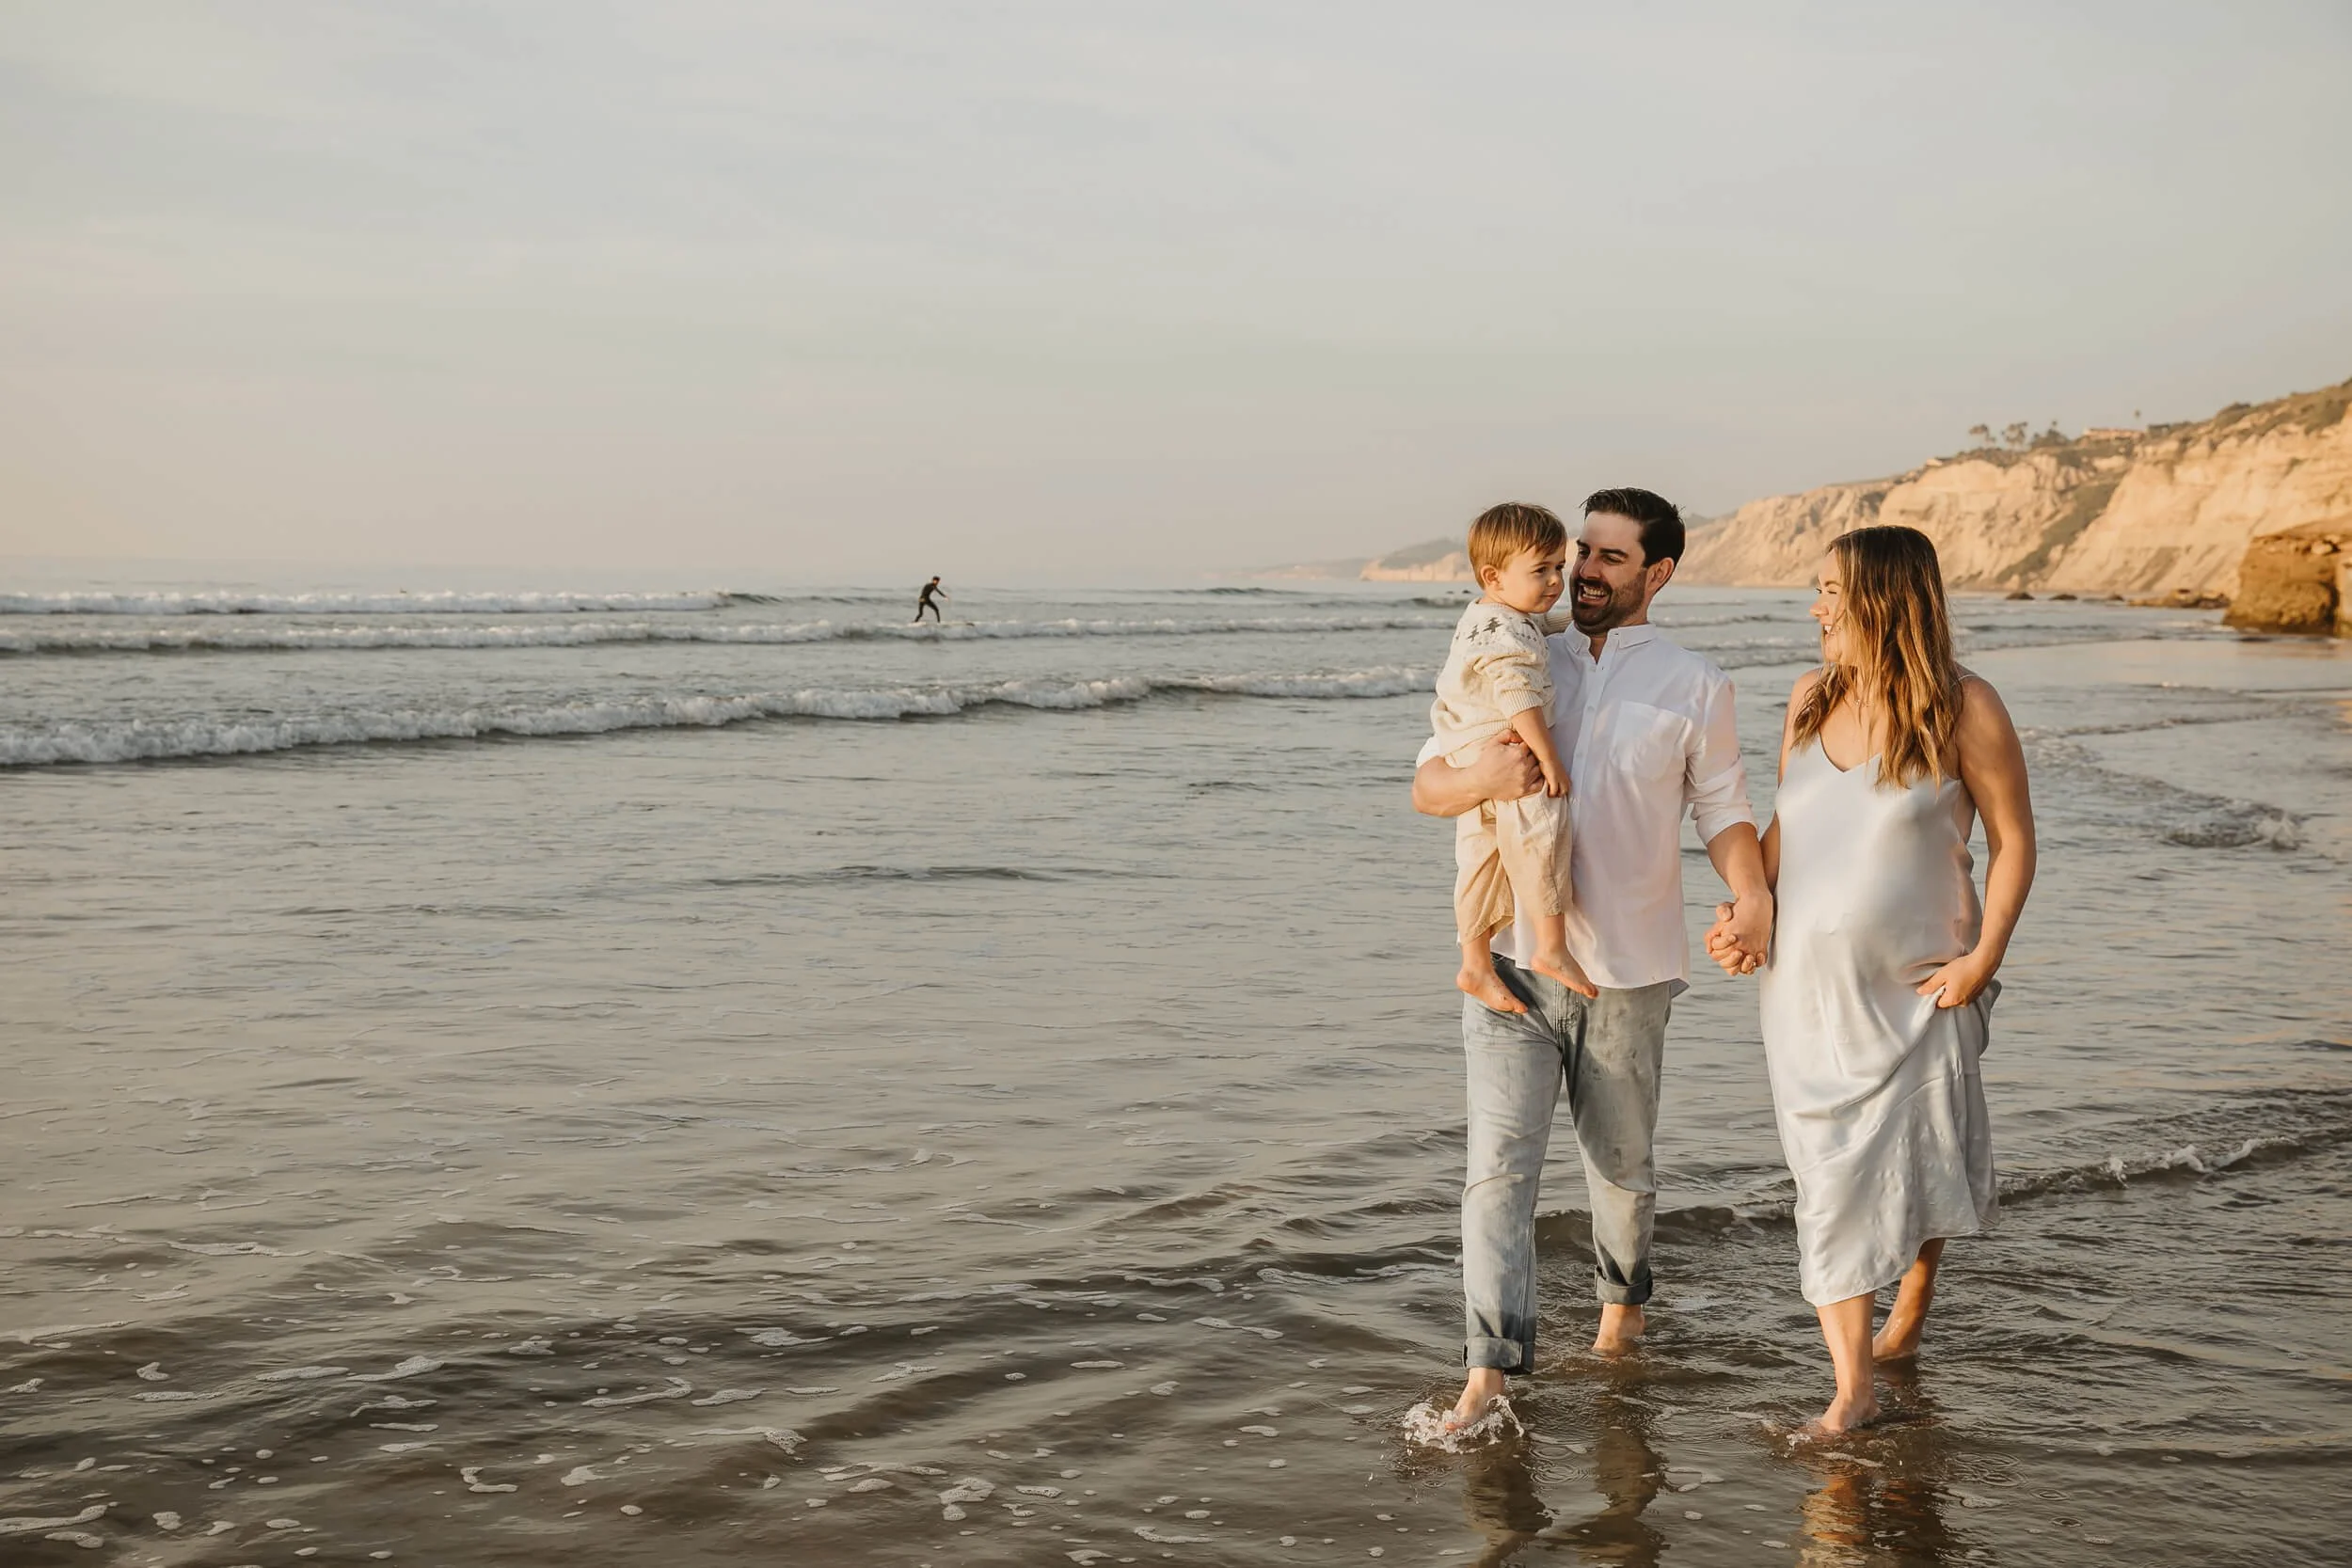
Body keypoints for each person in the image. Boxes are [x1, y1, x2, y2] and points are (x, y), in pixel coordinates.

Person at [1412, 487, 1772, 1432]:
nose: (1584, 571)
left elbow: (1723, 808)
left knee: (1621, 1164)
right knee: (1498, 1169)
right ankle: (1489, 1369)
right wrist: (1480, 775)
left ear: (1658, 572)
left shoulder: (1695, 683)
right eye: (1581, 551)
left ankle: (1621, 1317)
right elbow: (1429, 782)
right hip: (1510, 967)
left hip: (1630, 966)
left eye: (1611, 557)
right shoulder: (1518, 646)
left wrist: (1752, 894)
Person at [1704, 524, 2036, 1436]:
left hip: (1922, 986)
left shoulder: (1965, 705)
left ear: (1884, 599)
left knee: (1922, 1151)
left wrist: (1984, 957)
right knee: (1827, 1175)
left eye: (1830, 590)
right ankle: (1854, 1385)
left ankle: (1910, 1302)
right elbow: (1785, 833)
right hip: (1804, 994)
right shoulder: (1809, 698)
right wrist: (1744, 912)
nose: (1814, 607)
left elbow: (2012, 839)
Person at [1430, 503, 1593, 1011]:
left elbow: (1536, 628)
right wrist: (1549, 759)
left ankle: (1475, 964)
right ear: (1493, 577)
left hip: (1465, 752)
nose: (1555, 581)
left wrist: (1575, 621)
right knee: (1543, 831)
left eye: (1559, 567)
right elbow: (1519, 696)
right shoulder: (1508, 631)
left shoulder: (1490, 616)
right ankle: (1551, 947)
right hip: (1504, 748)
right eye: (1541, 570)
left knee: (1479, 857)